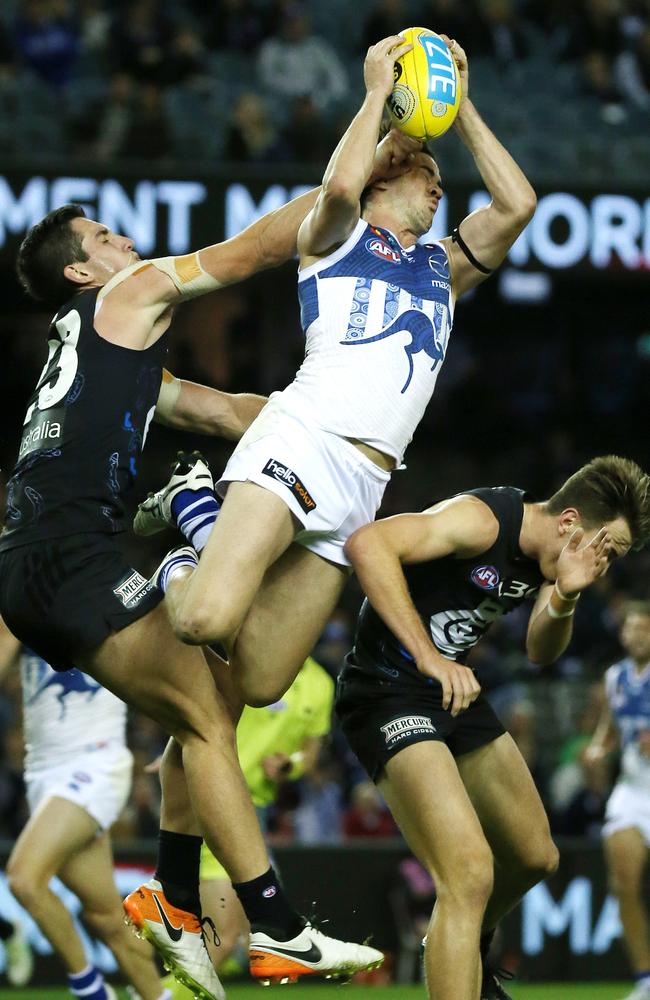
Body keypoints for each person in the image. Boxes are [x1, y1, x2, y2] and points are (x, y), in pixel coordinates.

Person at [0, 164, 398, 995]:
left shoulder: (108, 353)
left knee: (207, 702)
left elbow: (226, 413)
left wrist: (347, 428)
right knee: (213, 718)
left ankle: (176, 901)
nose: (129, 243)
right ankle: (278, 928)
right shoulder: (130, 294)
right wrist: (350, 192)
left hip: (39, 559)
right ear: (81, 271)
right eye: (107, 239)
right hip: (70, 554)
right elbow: (253, 250)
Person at [139, 34, 536, 729]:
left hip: (364, 485)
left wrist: (462, 107)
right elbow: (343, 185)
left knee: (262, 679)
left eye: (439, 178)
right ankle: (190, 508)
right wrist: (377, 94)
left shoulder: (445, 267)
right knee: (202, 618)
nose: (437, 185)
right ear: (384, 181)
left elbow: (518, 205)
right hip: (305, 439)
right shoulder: (335, 235)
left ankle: (195, 514)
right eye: (423, 171)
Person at [334, 456, 650, 1000]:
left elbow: (539, 650)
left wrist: (568, 595)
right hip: (387, 691)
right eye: (606, 549)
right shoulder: (482, 520)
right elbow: (368, 545)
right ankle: (461, 965)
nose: (603, 565)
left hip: (452, 695)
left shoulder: (550, 560)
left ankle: (467, 949)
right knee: (470, 873)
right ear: (570, 521)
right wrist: (429, 657)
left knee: (534, 855)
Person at [0, 617, 169, 1000]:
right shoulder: (28, 605)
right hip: (43, 773)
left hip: (95, 764)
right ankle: (160, 996)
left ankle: (90, 991)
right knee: (106, 918)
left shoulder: (103, 602)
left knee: (24, 880)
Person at [168, 655, 335, 994]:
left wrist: (292, 764)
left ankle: (157, 986)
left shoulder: (321, 684)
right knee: (227, 936)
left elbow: (311, 753)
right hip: (215, 796)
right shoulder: (244, 661)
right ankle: (156, 992)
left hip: (252, 809)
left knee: (239, 933)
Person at [586, 601, 650, 1000]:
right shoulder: (615, 678)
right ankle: (645, 979)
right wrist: (597, 749)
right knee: (623, 886)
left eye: (644, 629)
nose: (637, 636)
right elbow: (609, 730)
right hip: (632, 788)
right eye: (631, 629)